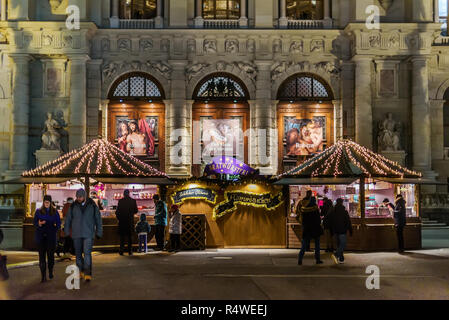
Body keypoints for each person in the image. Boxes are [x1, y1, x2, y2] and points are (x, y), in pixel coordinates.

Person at [65, 189, 103, 282]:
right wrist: (66, 231)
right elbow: (68, 219)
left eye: (80, 197)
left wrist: (99, 232)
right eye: (77, 197)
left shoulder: (92, 205)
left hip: (88, 233)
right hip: (76, 234)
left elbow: (98, 219)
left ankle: (87, 273)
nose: (78, 199)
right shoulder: (73, 206)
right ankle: (80, 271)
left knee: (87, 254)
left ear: (84, 196)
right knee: (78, 255)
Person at [33, 195, 61, 282]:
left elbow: (59, 223)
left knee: (50, 256)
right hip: (41, 237)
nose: (46, 204)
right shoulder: (38, 211)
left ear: (50, 202)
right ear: (43, 202)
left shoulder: (55, 212)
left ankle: (50, 271)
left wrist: (54, 228)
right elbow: (34, 223)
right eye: (45, 202)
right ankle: (43, 276)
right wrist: (39, 224)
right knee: (41, 257)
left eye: (48, 202)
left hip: (51, 237)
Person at [297, 196, 323, 265]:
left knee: (304, 245)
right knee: (317, 245)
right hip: (315, 228)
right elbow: (318, 220)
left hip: (307, 229)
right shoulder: (315, 208)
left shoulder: (304, 209)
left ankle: (300, 259)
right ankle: (317, 259)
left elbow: (302, 220)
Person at [328, 198, 353, 264]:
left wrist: (331, 231)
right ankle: (336, 254)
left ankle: (341, 259)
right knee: (343, 244)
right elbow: (348, 221)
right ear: (342, 203)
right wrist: (350, 230)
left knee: (339, 244)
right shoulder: (344, 211)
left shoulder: (333, 211)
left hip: (335, 230)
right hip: (342, 230)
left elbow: (330, 221)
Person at [115, 189, 138, 256]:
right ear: (129, 193)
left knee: (122, 237)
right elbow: (136, 211)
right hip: (130, 221)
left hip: (122, 221)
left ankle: (121, 250)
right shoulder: (133, 201)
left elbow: (117, 212)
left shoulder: (120, 201)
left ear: (123, 194)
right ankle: (130, 251)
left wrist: (119, 218)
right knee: (130, 237)